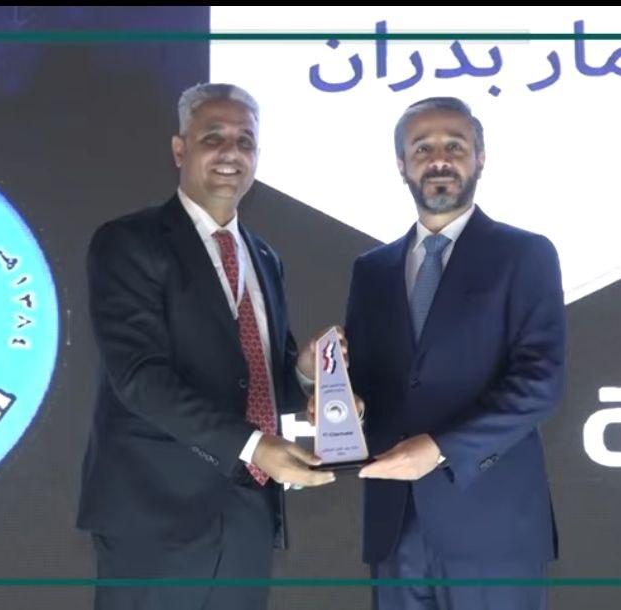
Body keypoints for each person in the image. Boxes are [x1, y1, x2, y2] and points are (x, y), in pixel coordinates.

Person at [77, 82, 336, 610]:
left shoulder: (264, 256)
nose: (230, 152)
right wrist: (254, 446)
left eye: (245, 141)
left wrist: (306, 373)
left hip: (247, 515)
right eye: (212, 137)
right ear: (180, 150)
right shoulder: (128, 242)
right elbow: (140, 378)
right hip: (155, 516)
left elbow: (260, 380)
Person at [350, 96, 567, 610]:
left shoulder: (526, 254)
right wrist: (333, 395)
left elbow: (540, 383)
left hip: (492, 530)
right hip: (395, 529)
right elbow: (366, 384)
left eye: (455, 145)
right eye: (422, 148)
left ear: (480, 158)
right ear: (401, 164)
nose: (439, 159)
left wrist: (440, 447)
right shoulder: (372, 270)